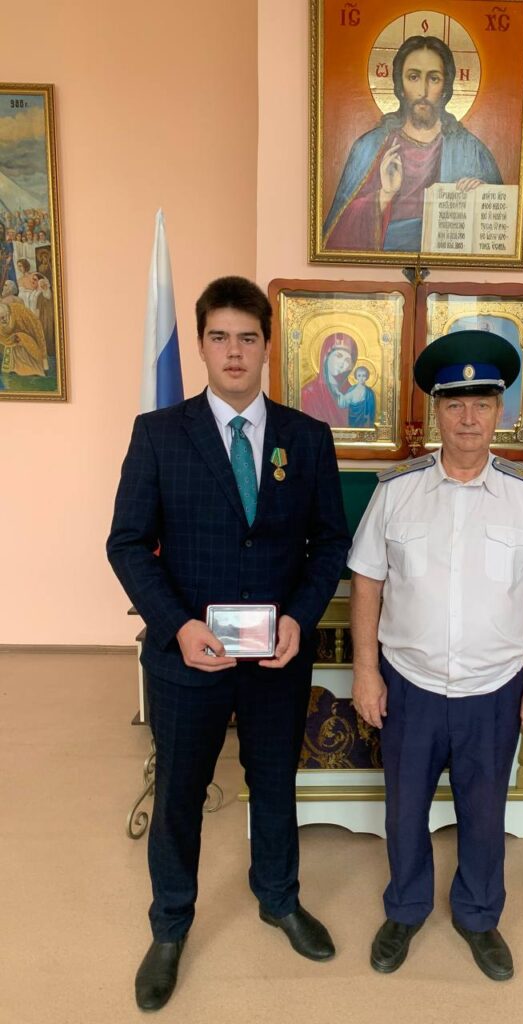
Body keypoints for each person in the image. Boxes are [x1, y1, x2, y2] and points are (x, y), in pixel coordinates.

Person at [107, 276, 350, 1012]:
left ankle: (278, 898)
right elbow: (126, 543)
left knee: (274, 782)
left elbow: (329, 543)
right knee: (180, 792)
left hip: (276, 659)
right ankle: (170, 925)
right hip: (189, 659)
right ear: (202, 344)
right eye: (219, 337)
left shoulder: (307, 438)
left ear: (268, 346)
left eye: (248, 337)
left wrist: (300, 617)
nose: (234, 351)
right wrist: (178, 625)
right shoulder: (159, 433)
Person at [348, 330, 523, 980]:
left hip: (493, 688)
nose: (469, 418)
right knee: (403, 809)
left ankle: (478, 916)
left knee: (484, 812)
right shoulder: (397, 490)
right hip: (410, 684)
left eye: (482, 403)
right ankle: (406, 908)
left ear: (500, 411)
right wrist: (366, 671)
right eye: (455, 404)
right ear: (436, 412)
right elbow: (366, 582)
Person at [323, 35, 502, 253]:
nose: (422, 92)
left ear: (446, 86)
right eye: (413, 77)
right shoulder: (368, 147)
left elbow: (499, 232)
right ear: (400, 85)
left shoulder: (472, 152)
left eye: (434, 78)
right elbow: (335, 240)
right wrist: (384, 195)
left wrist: (483, 199)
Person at [300, 331, 357, 427]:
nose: (342, 363)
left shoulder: (353, 394)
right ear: (326, 356)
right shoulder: (308, 393)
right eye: (339, 356)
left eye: (347, 360)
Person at [0, 298, 47, 376]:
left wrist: (22, 337)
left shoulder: (19, 311)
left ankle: (33, 370)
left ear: (8, 313)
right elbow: (3, 336)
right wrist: (12, 338)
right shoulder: (2, 318)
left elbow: (35, 327)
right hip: (13, 343)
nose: (2, 321)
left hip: (28, 339)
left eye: (3, 317)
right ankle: (14, 368)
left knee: (22, 338)